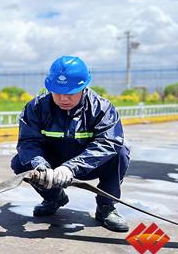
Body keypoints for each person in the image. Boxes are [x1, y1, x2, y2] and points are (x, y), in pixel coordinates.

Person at [10, 56, 130, 232]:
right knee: (20, 162)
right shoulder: (36, 108)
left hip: (88, 164)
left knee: (120, 153)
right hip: (53, 164)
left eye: (70, 93)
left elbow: (108, 142)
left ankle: (106, 206)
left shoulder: (102, 109)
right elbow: (28, 142)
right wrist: (41, 166)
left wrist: (71, 168)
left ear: (83, 87)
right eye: (57, 92)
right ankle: (54, 198)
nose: (63, 98)